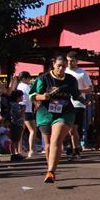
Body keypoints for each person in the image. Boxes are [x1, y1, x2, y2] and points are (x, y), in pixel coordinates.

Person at [30, 54, 81, 183]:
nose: (61, 69)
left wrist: (83, 97)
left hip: (65, 112)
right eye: (59, 66)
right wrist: (43, 97)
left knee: (56, 139)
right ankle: (50, 168)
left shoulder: (71, 80)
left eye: (64, 66)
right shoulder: (44, 78)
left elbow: (75, 95)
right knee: (48, 144)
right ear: (53, 64)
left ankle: (51, 171)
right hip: (45, 113)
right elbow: (32, 95)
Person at [65, 51, 93, 157]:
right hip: (65, 103)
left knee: (73, 128)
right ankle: (72, 146)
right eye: (67, 61)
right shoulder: (64, 71)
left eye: (71, 61)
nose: (69, 63)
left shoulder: (82, 73)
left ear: (77, 61)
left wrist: (77, 90)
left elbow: (90, 88)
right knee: (66, 127)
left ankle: (75, 148)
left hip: (78, 103)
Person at [16, 72, 39, 158]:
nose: (29, 80)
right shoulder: (27, 87)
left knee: (21, 131)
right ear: (24, 78)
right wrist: (36, 104)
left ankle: (19, 149)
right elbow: (32, 97)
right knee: (33, 130)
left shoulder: (18, 86)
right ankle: (31, 150)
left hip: (20, 109)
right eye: (28, 78)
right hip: (27, 110)